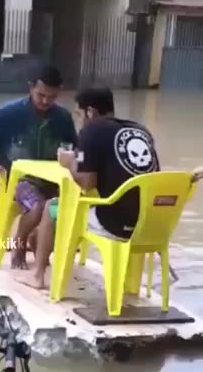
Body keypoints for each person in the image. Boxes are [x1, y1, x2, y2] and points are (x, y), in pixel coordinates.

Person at [16, 86, 161, 289]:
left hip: (116, 225)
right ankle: (130, 285)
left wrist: (70, 163)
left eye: (79, 114)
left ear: (90, 112)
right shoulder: (141, 130)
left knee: (51, 207)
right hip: (152, 224)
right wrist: (81, 159)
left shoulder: (90, 131)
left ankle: (38, 275)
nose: (79, 120)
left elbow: (86, 183)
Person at [0, 64, 78, 269]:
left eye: (52, 97)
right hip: (18, 180)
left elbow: (75, 147)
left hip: (53, 181)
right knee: (38, 206)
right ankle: (19, 242)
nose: (45, 101)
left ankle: (40, 241)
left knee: (71, 208)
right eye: (41, 95)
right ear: (31, 88)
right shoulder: (9, 114)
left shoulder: (63, 118)